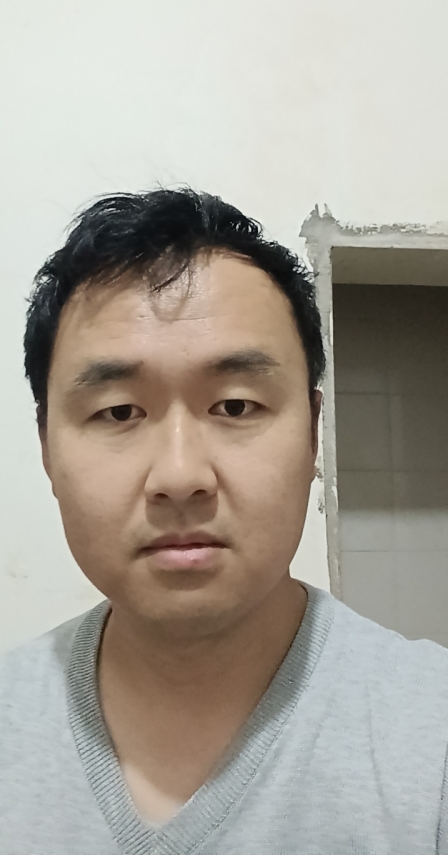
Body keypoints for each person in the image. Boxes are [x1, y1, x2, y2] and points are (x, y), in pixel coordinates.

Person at [1, 187, 448, 855]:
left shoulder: (431, 743)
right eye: (119, 412)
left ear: (314, 433)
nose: (181, 475)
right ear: (46, 449)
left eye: (235, 406)